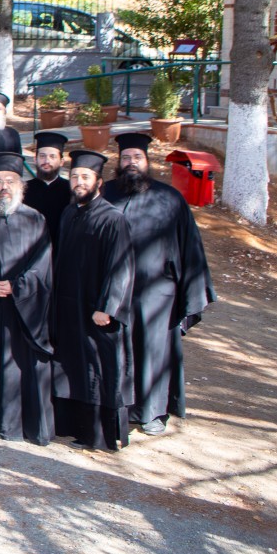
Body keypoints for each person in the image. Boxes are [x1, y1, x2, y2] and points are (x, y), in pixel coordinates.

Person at [103, 132, 215, 436]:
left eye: (137, 157)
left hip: (156, 293)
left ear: (147, 161)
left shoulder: (169, 198)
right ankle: (117, 409)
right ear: (118, 161)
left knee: (153, 351)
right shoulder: (104, 194)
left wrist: (191, 291)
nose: (131, 163)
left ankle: (152, 412)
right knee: (115, 351)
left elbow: (189, 246)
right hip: (113, 291)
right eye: (126, 157)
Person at [0, 153, 54, 444]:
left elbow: (42, 264)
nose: (4, 187)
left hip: (21, 307)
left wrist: (16, 286)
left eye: (10, 181)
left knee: (19, 365)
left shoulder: (35, 219)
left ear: (21, 185)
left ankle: (16, 424)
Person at [52, 149, 135, 451]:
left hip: (96, 311)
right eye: (74, 176)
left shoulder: (113, 219)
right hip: (68, 306)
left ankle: (97, 435)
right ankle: (71, 426)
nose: (79, 182)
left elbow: (121, 267)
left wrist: (107, 307)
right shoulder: (69, 213)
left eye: (85, 177)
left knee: (97, 369)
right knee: (71, 366)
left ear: (99, 182)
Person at [24, 131, 72, 244]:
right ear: (35, 160)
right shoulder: (23, 190)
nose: (46, 161)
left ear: (61, 162)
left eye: (52, 156)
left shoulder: (71, 190)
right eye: (42, 156)